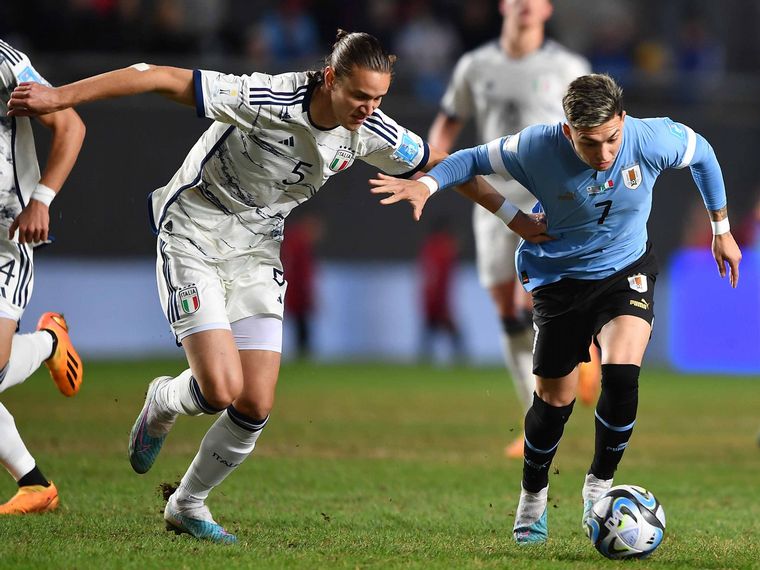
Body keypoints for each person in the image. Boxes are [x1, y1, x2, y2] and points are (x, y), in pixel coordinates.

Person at [8, 30, 548, 542]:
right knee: (218, 389)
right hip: (194, 230)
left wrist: (512, 217)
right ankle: (164, 401)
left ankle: (188, 504)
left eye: (379, 99)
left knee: (255, 402)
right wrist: (60, 97)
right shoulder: (265, 97)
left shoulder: (372, 130)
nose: (369, 109)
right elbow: (155, 75)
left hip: (259, 246)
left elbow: (445, 162)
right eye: (360, 95)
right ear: (330, 78)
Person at [369, 73, 741, 543]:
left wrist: (721, 228)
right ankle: (533, 498)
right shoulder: (535, 148)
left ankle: (598, 486)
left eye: (612, 139)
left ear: (623, 121)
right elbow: (467, 161)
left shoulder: (651, 138)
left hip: (626, 270)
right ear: (568, 131)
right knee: (554, 401)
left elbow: (703, 154)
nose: (604, 154)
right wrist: (432, 188)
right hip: (559, 280)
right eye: (589, 144)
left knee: (622, 374)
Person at [427, 0, 594, 459]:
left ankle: (580, 345)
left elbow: (596, 127)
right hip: (491, 198)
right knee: (507, 312)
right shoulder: (476, 65)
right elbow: (448, 121)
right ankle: (533, 418)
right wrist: (426, 171)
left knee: (531, 300)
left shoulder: (568, 66)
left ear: (547, 7)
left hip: (549, 196)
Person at [0, 39, 85, 515]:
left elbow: (70, 123)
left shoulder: (3, 62)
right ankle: (35, 487)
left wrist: (42, 199)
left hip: (7, 237)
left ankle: (49, 343)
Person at [418, 217, 464, 363]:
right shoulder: (444, 249)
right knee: (453, 333)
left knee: (430, 332)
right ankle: (460, 362)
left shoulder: (428, 247)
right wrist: (441, 303)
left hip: (430, 298)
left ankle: (424, 361)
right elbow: (439, 277)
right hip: (438, 300)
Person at [280, 213, 323, 359]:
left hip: (294, 289)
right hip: (295, 290)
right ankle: (303, 353)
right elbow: (300, 270)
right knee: (300, 322)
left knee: (300, 322)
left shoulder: (295, 240)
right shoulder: (298, 242)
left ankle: (302, 353)